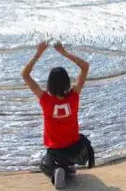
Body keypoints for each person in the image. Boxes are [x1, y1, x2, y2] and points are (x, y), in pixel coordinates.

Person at [21, 41, 92, 189]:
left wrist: (38, 53)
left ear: (50, 84)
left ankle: (56, 171)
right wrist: (64, 53)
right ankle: (67, 168)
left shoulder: (45, 99)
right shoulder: (74, 96)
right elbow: (85, 67)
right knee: (77, 142)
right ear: (67, 82)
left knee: (43, 163)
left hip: (56, 152)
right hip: (76, 151)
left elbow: (25, 75)